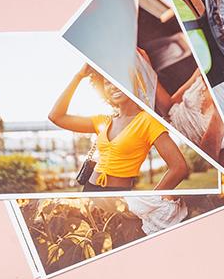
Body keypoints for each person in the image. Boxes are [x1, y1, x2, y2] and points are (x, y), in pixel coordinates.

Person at [49, 66, 189, 193]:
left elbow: (179, 168)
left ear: (134, 82)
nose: (113, 86)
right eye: (107, 82)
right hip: (90, 191)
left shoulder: (148, 121)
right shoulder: (104, 121)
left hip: (119, 197)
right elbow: (56, 117)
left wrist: (150, 200)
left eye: (119, 79)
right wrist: (78, 76)